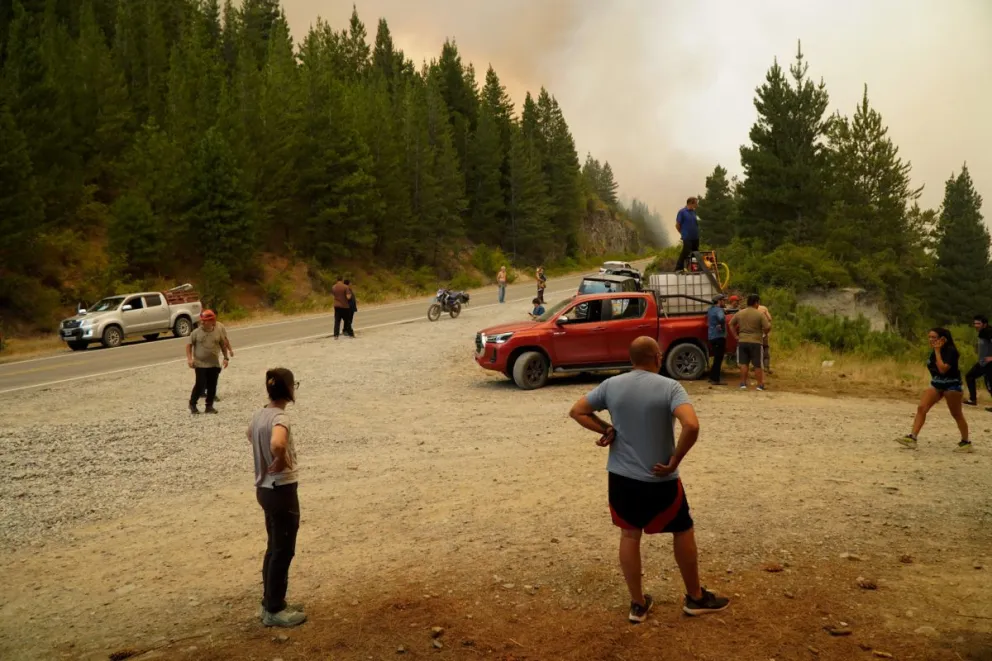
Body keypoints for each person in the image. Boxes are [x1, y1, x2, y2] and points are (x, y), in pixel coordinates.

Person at [569, 337, 730, 624]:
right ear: (657, 356)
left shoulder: (612, 385)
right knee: (682, 530)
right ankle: (695, 597)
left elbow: (577, 411)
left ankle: (638, 604)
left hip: (620, 478)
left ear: (631, 358)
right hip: (659, 479)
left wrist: (608, 428)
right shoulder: (670, 387)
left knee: (630, 535)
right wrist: (674, 461)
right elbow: (691, 425)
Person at [248, 368, 307, 627]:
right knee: (283, 549)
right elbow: (278, 444)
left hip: (264, 489)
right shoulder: (280, 418)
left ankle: (269, 602)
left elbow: (249, 435)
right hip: (281, 489)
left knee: (273, 547)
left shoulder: (260, 414)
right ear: (289, 389)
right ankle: (275, 609)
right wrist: (279, 459)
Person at [897, 328, 973, 453]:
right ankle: (912, 438)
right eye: (930, 337)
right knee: (922, 408)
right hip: (937, 384)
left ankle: (966, 442)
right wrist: (936, 351)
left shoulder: (950, 351)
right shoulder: (934, 351)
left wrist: (937, 351)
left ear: (943, 339)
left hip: (952, 386)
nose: (931, 340)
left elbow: (943, 369)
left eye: (934, 337)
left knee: (956, 414)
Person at [186, 309, 229, 414]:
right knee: (200, 384)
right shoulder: (196, 332)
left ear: (212, 321)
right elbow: (189, 345)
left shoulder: (218, 331)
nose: (202, 322)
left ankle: (209, 406)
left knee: (212, 385)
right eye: (202, 320)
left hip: (214, 364)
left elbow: (223, 345)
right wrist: (190, 359)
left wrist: (226, 357)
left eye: (205, 320)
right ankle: (192, 404)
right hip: (200, 364)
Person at [729, 294, 770, 391]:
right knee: (757, 364)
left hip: (742, 341)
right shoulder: (759, 314)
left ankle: (743, 384)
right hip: (756, 342)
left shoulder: (740, 313)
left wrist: (735, 336)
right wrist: (765, 333)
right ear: (756, 303)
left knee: (743, 363)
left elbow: (730, 324)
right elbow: (767, 327)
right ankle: (760, 385)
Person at [964, 314, 992, 408]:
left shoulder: (988, 331)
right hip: (983, 362)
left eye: (978, 323)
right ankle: (972, 399)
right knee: (970, 376)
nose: (976, 325)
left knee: (989, 383)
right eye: (975, 323)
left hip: (989, 363)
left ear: (984, 324)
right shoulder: (982, 332)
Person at [707, 295, 728, 385]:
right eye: (723, 300)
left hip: (711, 336)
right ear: (719, 301)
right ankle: (716, 379)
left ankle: (712, 377)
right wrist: (721, 324)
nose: (724, 302)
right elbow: (721, 318)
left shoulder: (710, 309)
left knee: (716, 357)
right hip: (719, 336)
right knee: (719, 358)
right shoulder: (719, 310)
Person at [674, 197, 700, 272]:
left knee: (695, 253)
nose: (697, 205)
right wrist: (682, 233)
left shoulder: (693, 212)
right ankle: (678, 268)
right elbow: (677, 225)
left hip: (695, 236)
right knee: (686, 251)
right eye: (696, 203)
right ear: (691, 203)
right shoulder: (682, 212)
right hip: (687, 237)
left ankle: (694, 268)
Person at [757, 303, 773, 374]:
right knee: (765, 348)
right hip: (763, 332)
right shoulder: (763, 308)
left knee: (756, 350)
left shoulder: (748, 309)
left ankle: (757, 366)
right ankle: (766, 367)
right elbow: (769, 318)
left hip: (754, 334)